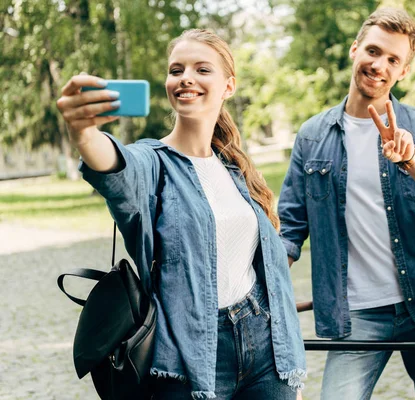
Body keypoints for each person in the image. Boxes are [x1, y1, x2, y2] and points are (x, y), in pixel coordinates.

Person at [56, 29, 306, 400]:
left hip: (268, 351)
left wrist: (291, 379)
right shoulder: (152, 162)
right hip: (191, 359)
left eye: (202, 69)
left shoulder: (236, 168)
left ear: (228, 86)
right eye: (177, 70)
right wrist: (83, 133)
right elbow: (116, 170)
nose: (186, 77)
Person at [278, 7, 415, 400]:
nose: (379, 65)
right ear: (354, 50)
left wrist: (413, 160)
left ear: (403, 71)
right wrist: (262, 290)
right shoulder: (312, 136)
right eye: (373, 51)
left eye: (393, 59)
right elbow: (291, 229)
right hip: (356, 316)